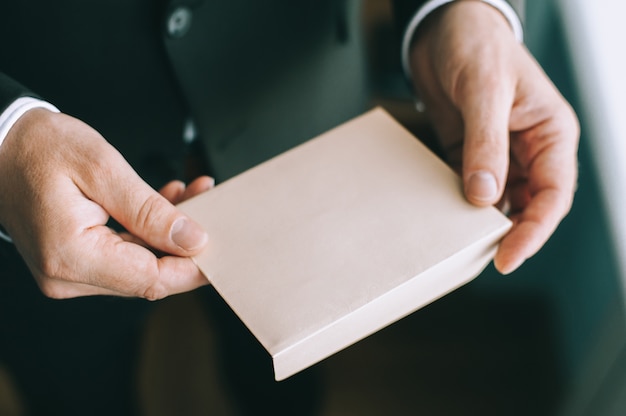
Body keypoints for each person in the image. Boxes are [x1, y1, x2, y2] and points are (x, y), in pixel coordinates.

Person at [0, 0, 578, 414]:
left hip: (302, 131)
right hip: (35, 163)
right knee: (73, 390)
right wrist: (7, 136)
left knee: (284, 386)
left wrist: (464, 11)